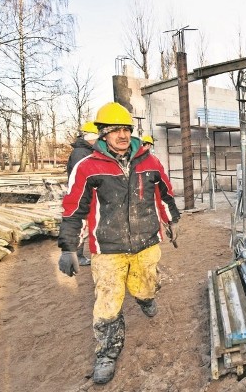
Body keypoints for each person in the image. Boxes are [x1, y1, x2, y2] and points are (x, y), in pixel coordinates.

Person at [57, 102, 181, 385]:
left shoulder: (149, 161)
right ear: (102, 134)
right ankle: (107, 353)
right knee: (108, 303)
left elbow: (164, 193)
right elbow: (73, 208)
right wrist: (68, 248)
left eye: (126, 129)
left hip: (147, 242)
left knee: (146, 284)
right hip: (108, 249)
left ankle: (145, 298)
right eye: (115, 130)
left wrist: (172, 220)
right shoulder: (87, 167)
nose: (122, 135)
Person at [66, 121, 99, 266]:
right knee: (82, 225)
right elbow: (83, 175)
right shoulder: (81, 153)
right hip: (81, 194)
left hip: (83, 193)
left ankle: (77, 255)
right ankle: (77, 257)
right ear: (91, 137)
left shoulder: (85, 150)